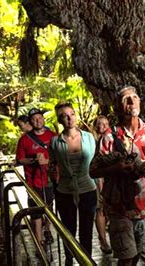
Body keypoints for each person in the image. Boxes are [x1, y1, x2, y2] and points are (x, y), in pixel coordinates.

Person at [90, 86, 145, 266]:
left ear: (140, 102)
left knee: (136, 253)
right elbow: (93, 170)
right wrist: (117, 168)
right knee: (126, 257)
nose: (131, 102)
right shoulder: (109, 137)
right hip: (118, 207)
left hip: (144, 207)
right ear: (118, 107)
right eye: (126, 99)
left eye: (135, 97)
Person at [48, 102, 97, 265]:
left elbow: (97, 164)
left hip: (88, 187)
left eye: (72, 114)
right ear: (60, 120)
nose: (69, 118)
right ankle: (69, 260)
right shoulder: (55, 142)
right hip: (65, 190)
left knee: (87, 230)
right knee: (68, 230)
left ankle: (86, 261)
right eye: (64, 116)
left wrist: (101, 188)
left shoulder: (89, 137)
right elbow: (52, 165)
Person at [15, 108, 57, 245]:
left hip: (50, 179)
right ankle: (39, 242)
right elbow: (20, 159)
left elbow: (61, 156)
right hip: (33, 181)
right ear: (30, 122)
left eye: (39, 118)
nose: (37, 121)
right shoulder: (24, 140)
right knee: (35, 211)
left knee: (48, 207)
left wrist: (47, 161)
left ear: (43, 119)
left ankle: (47, 230)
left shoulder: (53, 136)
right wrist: (33, 160)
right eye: (33, 119)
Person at [93, 115, 113, 254]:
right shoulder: (94, 141)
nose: (103, 126)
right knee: (100, 209)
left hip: (111, 180)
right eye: (99, 124)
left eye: (105, 123)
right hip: (99, 179)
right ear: (95, 126)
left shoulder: (111, 139)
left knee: (109, 210)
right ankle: (103, 240)